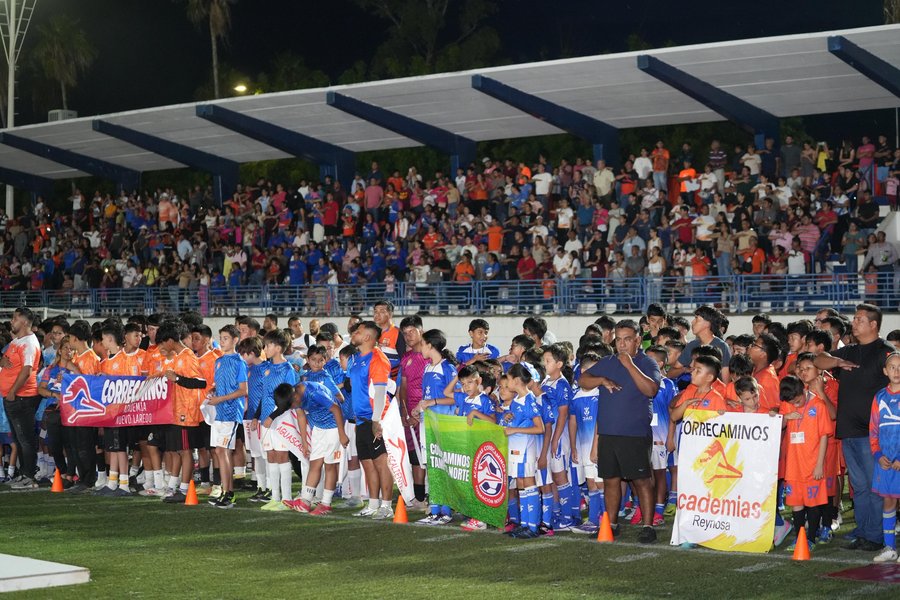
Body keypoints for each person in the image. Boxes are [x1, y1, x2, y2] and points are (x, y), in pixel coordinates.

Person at [814, 304, 893, 551]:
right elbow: (818, 360)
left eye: (859, 319)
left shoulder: (885, 352)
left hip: (873, 433)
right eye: (855, 319)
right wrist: (837, 361)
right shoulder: (849, 350)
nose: (854, 323)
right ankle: (864, 531)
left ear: (873, 325)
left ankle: (876, 535)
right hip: (848, 429)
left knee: (874, 486)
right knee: (858, 487)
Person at [580, 319, 662, 543]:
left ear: (638, 340)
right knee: (610, 480)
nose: (622, 344)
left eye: (627, 339)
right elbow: (583, 379)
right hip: (608, 432)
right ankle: (612, 524)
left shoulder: (647, 362)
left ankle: (648, 526)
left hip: (635, 433)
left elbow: (651, 390)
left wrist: (629, 365)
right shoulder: (608, 361)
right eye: (619, 340)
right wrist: (602, 379)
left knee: (641, 480)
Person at [779, 375, 832, 555]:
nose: (795, 405)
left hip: (812, 464)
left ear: (804, 389)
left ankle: (810, 538)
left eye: (798, 401)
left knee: (812, 502)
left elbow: (824, 436)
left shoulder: (818, 405)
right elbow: (777, 424)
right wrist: (786, 417)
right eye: (792, 403)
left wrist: (819, 465)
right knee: (796, 503)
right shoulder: (787, 404)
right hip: (793, 465)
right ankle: (800, 536)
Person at [346, 320, 394, 520]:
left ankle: (387, 505)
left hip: (375, 419)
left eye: (357, 331)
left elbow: (380, 392)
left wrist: (376, 420)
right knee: (367, 464)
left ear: (367, 337)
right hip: (360, 420)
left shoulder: (377, 358)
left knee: (381, 463)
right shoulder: (356, 359)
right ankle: (373, 504)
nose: (353, 334)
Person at [282, 379, 349, 515]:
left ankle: (326, 504)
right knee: (315, 464)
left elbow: (336, 409)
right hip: (318, 428)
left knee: (330, 466)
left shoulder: (314, 393)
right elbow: (301, 417)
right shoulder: (294, 394)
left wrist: (342, 434)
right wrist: (304, 442)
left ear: (295, 397)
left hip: (333, 428)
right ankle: (305, 502)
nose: (294, 408)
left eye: (293, 406)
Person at [414, 329, 459, 525]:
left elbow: (456, 397)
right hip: (428, 423)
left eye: (422, 344)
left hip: (443, 424)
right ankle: (434, 511)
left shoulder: (447, 368)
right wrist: (418, 408)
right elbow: (427, 397)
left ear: (430, 345)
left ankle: (446, 512)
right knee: (432, 467)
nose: (420, 348)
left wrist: (432, 402)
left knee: (443, 467)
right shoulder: (427, 368)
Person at [256, 329, 299, 511]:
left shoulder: (288, 370)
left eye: (268, 345)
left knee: (281, 456)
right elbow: (264, 395)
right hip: (266, 420)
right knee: (271, 456)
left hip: (280, 419)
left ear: (279, 348)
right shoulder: (267, 368)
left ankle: (286, 499)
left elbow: (288, 399)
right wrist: (257, 416)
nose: (265, 349)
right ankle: (275, 497)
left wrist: (272, 416)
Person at [205, 325, 248, 509]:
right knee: (220, 451)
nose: (222, 341)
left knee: (224, 451)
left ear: (235, 340)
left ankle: (229, 493)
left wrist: (220, 398)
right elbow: (221, 385)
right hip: (219, 412)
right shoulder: (219, 361)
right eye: (221, 338)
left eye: (225, 338)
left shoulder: (239, 362)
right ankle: (225, 491)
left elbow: (243, 390)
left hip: (231, 412)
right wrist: (213, 391)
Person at [500, 365, 545, 539]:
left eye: (509, 379)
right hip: (516, 448)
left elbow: (540, 428)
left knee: (529, 482)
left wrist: (515, 430)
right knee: (521, 483)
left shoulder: (528, 399)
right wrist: (508, 419)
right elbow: (517, 420)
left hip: (525, 448)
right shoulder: (517, 399)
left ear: (517, 380)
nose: (507, 383)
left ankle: (532, 527)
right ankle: (525, 524)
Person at [0, 308, 42, 490]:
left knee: (26, 440)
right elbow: (7, 362)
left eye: (15, 318)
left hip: (22, 398)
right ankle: (24, 474)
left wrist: (12, 391)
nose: (12, 321)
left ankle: (29, 476)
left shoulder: (30, 343)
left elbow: (27, 370)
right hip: (13, 398)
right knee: (19, 439)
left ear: (24, 322)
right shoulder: (17, 341)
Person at [455, 365, 497, 531]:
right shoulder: (464, 399)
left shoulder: (485, 400)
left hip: (481, 446)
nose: (466, 387)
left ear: (478, 381)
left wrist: (476, 413)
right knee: (471, 482)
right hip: (468, 444)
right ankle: (475, 514)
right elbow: (447, 393)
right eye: (463, 384)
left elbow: (493, 422)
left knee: (481, 482)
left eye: (470, 382)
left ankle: (481, 518)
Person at [541, 344, 577, 531]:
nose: (544, 364)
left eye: (548, 361)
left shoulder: (562, 385)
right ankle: (556, 513)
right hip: (547, 436)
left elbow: (563, 414)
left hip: (559, 437)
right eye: (544, 360)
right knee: (552, 476)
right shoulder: (546, 382)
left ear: (559, 364)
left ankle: (567, 516)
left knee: (560, 476)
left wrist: (555, 439)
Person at [870, 352, 900, 563]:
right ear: (885, 371)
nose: (897, 371)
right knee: (888, 501)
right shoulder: (879, 397)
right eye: (892, 367)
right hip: (885, 462)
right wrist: (878, 454)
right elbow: (873, 430)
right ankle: (890, 547)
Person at [569, 352, 604, 534]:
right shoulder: (575, 396)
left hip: (599, 446)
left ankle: (606, 519)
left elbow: (601, 421)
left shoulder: (601, 393)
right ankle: (593, 520)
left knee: (601, 483)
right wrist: (573, 446)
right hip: (583, 447)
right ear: (583, 372)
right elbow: (573, 422)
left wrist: (595, 447)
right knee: (591, 483)